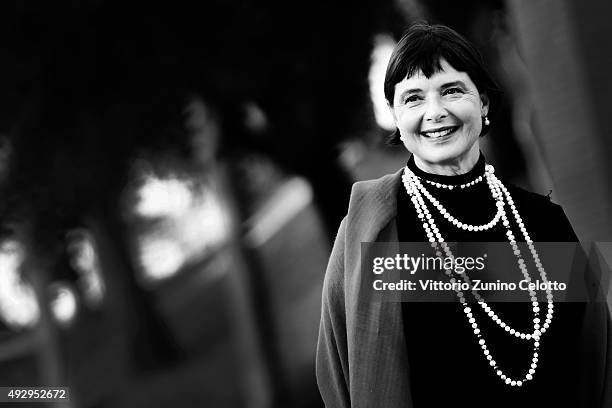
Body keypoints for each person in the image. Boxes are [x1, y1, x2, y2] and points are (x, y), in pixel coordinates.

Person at [316, 23, 611, 408]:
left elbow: (595, 363)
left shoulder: (543, 221)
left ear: (484, 103)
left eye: (451, 90)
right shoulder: (373, 230)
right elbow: (341, 377)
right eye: (413, 98)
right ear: (395, 116)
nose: (434, 112)